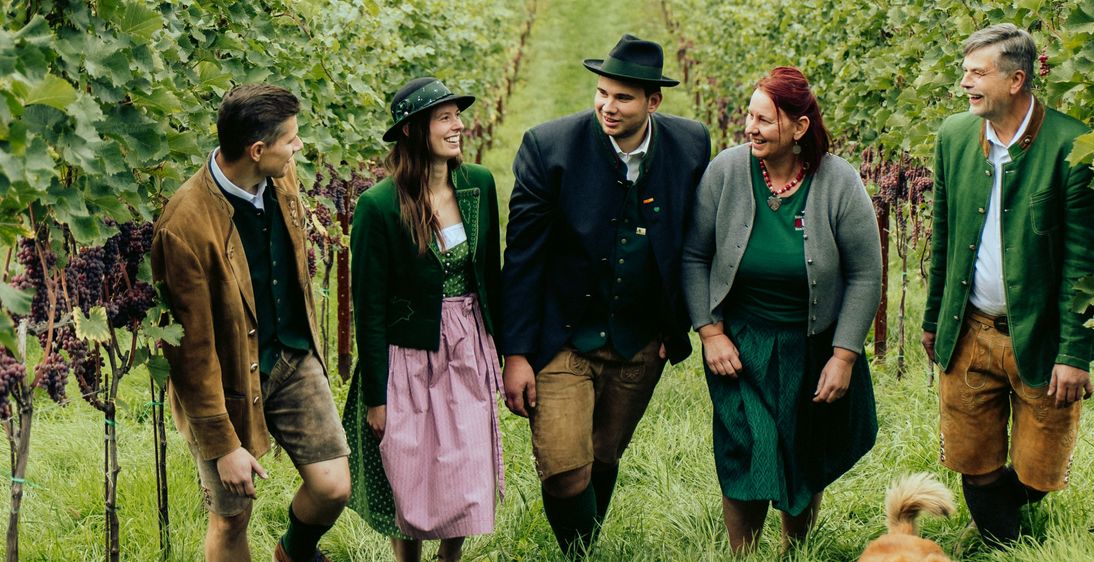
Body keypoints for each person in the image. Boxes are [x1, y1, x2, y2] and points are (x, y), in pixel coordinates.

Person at [500, 34, 711, 558]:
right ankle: (581, 554)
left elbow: (692, 239)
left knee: (603, 455)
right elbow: (523, 257)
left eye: (623, 97)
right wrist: (516, 353)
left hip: (639, 339)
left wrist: (675, 323)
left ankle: (583, 551)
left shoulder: (690, 145)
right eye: (602, 93)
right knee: (564, 470)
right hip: (563, 334)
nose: (607, 106)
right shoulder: (549, 147)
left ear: (653, 102)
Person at [921, 23, 1094, 548]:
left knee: (1039, 473)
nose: (965, 83)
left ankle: (1001, 523)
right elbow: (943, 234)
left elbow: (1083, 263)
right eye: (965, 72)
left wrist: (1074, 352)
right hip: (971, 329)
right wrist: (934, 320)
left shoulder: (1073, 146)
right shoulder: (954, 136)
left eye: (977, 73)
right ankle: (1002, 550)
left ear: (1016, 80)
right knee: (972, 459)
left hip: (1041, 337)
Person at [683, 66, 882, 553]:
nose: (750, 128)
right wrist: (710, 332)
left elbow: (865, 273)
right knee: (744, 448)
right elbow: (694, 255)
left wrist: (844, 356)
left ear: (799, 127)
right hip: (741, 345)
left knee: (801, 451)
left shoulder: (838, 181)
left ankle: (796, 551)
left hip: (811, 344)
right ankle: (743, 555)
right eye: (749, 116)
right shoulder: (727, 171)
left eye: (763, 120)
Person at [151, 84, 350, 562]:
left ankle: (293, 553)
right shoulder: (183, 226)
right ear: (257, 150)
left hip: (291, 356)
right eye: (291, 139)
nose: (299, 146)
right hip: (228, 382)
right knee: (232, 518)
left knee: (333, 486)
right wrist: (222, 446)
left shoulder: (281, 175)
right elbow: (190, 354)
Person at [342, 77, 503, 562]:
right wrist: (376, 397)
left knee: (468, 460)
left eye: (457, 116)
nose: (458, 126)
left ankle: (450, 558)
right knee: (409, 465)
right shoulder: (378, 206)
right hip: (408, 352)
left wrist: (506, 351)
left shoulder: (478, 184)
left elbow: (491, 274)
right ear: (413, 130)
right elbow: (368, 308)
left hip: (467, 340)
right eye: (444, 118)